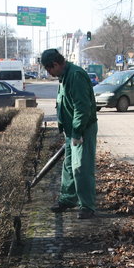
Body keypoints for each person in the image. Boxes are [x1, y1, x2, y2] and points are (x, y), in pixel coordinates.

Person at [41, 48, 97, 219]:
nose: (49, 73)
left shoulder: (75, 75)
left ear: (56, 64)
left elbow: (82, 107)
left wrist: (77, 132)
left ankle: (87, 206)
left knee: (81, 167)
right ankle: (68, 199)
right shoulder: (64, 76)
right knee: (69, 165)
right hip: (71, 129)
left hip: (82, 129)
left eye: (49, 69)